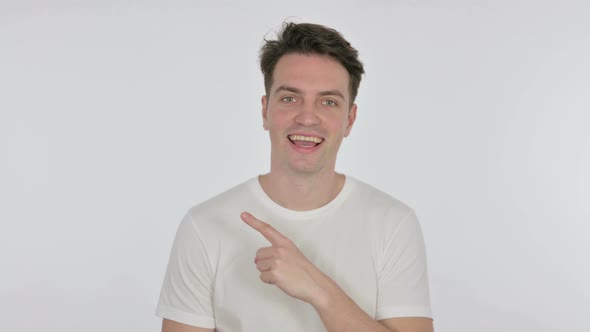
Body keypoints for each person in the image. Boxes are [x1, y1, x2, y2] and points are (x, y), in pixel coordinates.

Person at [156, 22, 433, 332]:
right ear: (265, 110)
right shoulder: (205, 226)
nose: (307, 117)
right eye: (290, 98)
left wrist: (319, 290)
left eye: (328, 102)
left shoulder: (393, 224)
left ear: (349, 120)